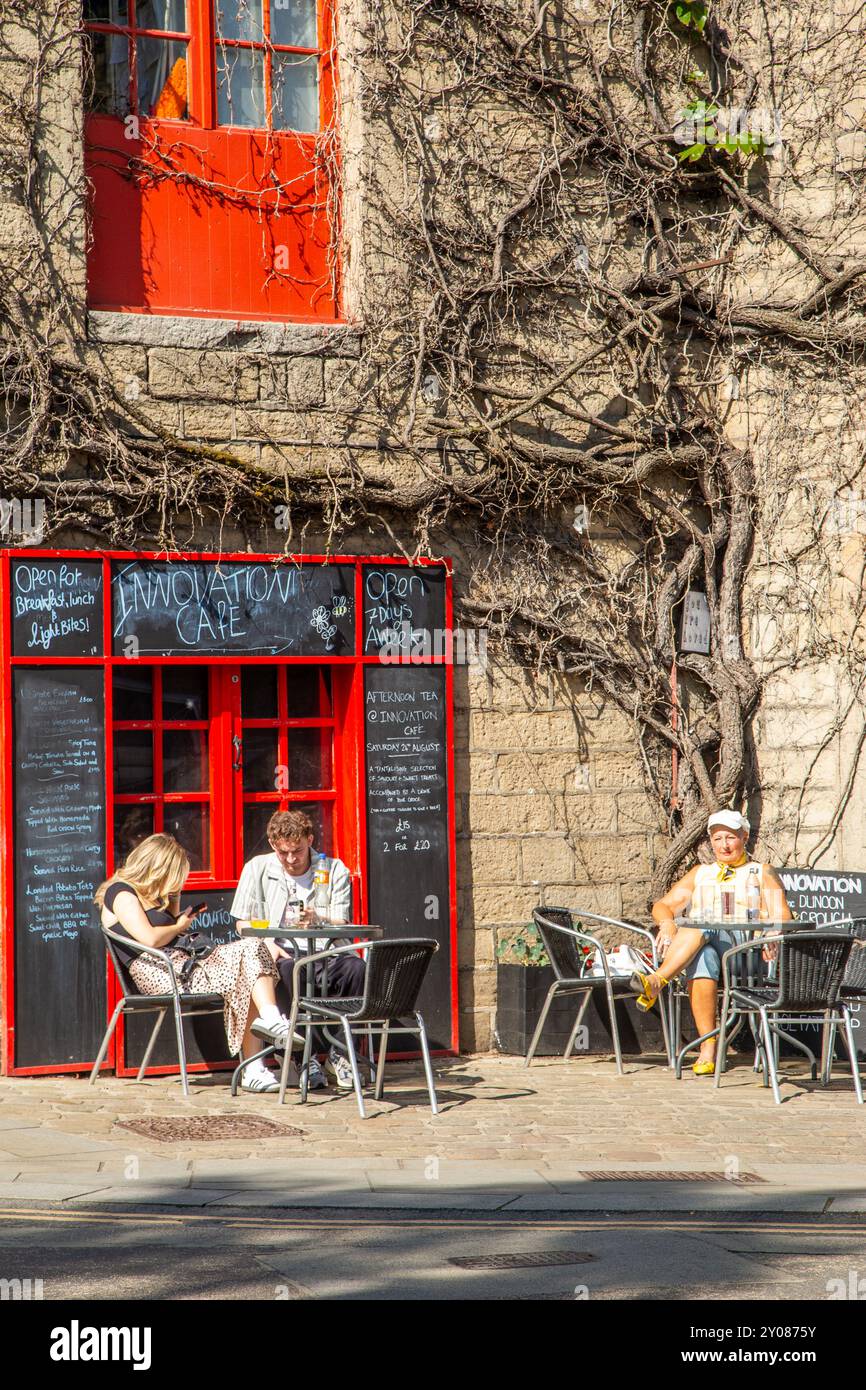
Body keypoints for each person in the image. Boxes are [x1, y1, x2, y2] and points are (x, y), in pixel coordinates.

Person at [95, 833, 294, 1093]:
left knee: (255, 949)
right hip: (159, 973)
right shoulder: (121, 893)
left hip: (183, 964)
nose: (178, 883)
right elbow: (150, 938)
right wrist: (179, 924)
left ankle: (265, 1036)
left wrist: (174, 904)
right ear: (157, 869)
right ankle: (255, 1061)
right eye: (175, 877)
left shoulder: (157, 896)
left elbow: (170, 933)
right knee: (249, 958)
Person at [644, 810, 793, 1074]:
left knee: (699, 924)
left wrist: (772, 932)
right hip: (708, 951)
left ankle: (658, 980)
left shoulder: (759, 871)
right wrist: (667, 923)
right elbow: (663, 905)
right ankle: (709, 1049)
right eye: (717, 838)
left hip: (746, 956)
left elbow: (782, 914)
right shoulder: (701, 873)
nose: (724, 845)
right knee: (703, 956)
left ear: (744, 837)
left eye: (731, 838)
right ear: (710, 841)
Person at [230, 809, 364, 1091]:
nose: (291, 859)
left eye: (298, 851)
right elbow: (241, 922)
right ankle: (303, 1057)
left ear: (310, 840)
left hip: (327, 951)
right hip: (284, 953)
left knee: (357, 969)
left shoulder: (334, 868)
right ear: (272, 845)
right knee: (289, 972)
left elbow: (343, 919)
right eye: (283, 853)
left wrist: (319, 919)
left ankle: (341, 1051)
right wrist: (269, 943)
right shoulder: (257, 868)